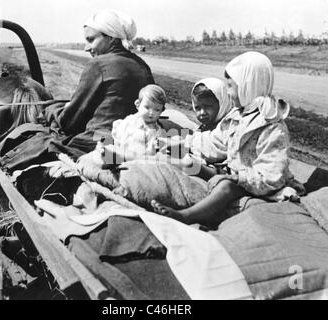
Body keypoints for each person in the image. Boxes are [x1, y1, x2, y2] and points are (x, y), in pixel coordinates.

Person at [151, 51, 304, 229]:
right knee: (193, 167)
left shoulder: (272, 126)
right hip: (235, 173)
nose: (229, 93)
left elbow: (271, 175)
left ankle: (186, 216)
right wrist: (183, 143)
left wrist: (237, 178)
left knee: (225, 188)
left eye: (231, 87)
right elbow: (214, 142)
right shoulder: (237, 115)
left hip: (257, 182)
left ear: (249, 85)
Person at [44, 10, 155, 159]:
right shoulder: (142, 65)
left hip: (101, 142)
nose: (86, 47)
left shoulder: (98, 65)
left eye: (90, 40)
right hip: (137, 141)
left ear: (111, 38)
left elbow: (69, 122)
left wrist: (51, 110)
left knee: (38, 140)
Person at [98, 84, 167, 164]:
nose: (151, 113)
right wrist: (113, 147)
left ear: (161, 111)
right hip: (121, 153)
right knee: (106, 145)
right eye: (147, 107)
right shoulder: (129, 121)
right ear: (138, 104)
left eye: (157, 110)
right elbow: (117, 137)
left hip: (139, 161)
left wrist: (155, 147)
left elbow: (153, 153)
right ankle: (110, 157)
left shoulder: (157, 131)